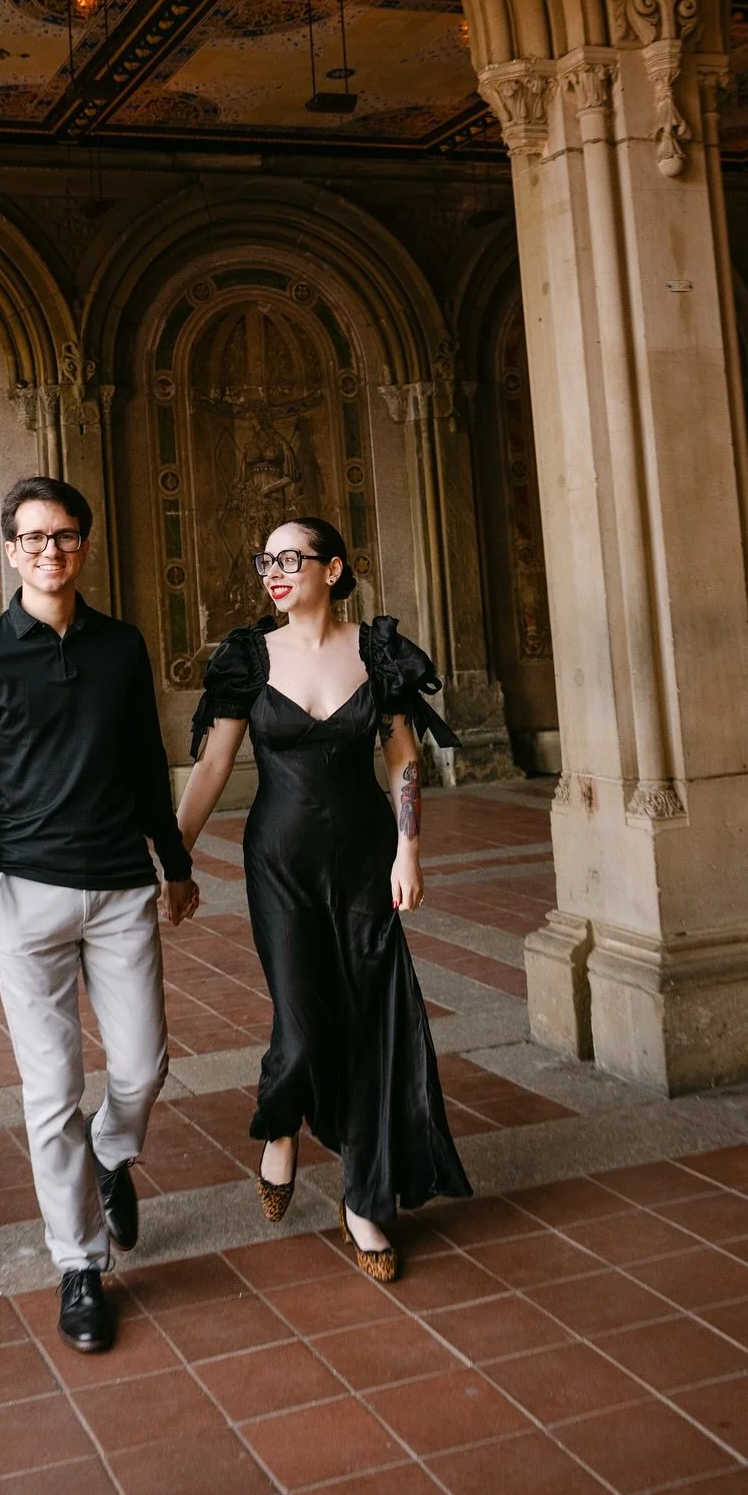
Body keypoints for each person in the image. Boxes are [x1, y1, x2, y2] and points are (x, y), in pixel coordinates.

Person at [176, 516, 471, 1278]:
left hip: (366, 859)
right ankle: (281, 1125)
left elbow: (403, 756)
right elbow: (212, 770)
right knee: (303, 1025)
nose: (274, 571)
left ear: (332, 569)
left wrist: (409, 848)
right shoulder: (248, 657)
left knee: (373, 1021)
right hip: (279, 864)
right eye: (264, 559)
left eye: (290, 558)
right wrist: (173, 855)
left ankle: (364, 1201)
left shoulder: (377, 653)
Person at [0, 476, 199, 1352]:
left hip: (121, 886)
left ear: (83, 547)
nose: (51, 550)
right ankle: (80, 1265)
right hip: (28, 896)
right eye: (34, 537)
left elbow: (145, 762)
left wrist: (173, 863)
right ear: (11, 551)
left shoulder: (123, 648)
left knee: (141, 1067)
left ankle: (112, 1156)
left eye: (66, 536)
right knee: (51, 1092)